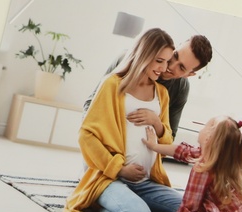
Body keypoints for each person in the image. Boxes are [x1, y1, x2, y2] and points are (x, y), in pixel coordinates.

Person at [64, 28, 185, 212]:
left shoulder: (162, 94)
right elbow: (86, 135)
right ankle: (99, 206)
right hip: (111, 178)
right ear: (144, 54)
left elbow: (166, 144)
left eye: (166, 61)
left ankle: (140, 206)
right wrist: (119, 169)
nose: (164, 68)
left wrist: (157, 123)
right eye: (159, 61)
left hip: (147, 182)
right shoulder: (112, 84)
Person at [142, 115, 242, 212]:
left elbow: (189, 205)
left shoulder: (203, 167)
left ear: (209, 138)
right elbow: (181, 151)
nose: (202, 128)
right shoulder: (211, 155)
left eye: (206, 126)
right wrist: (154, 146)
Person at [84, 34, 213, 142]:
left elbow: (169, 137)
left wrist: (157, 122)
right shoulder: (126, 60)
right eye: (175, 56)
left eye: (181, 68)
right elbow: (91, 105)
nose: (170, 66)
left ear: (189, 75)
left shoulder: (180, 89)